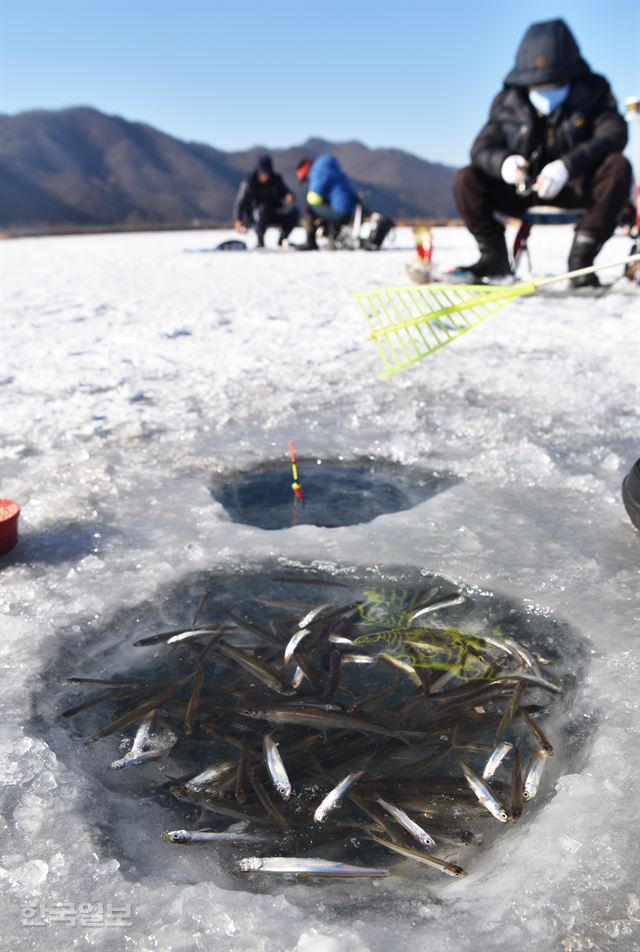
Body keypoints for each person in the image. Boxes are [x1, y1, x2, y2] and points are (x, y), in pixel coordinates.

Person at [454, 19, 632, 287]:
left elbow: (613, 134)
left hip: (577, 187)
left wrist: (567, 166)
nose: (546, 89)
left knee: (618, 166)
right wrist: (505, 164)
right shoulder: (508, 102)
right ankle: (494, 258)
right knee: (466, 179)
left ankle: (581, 262)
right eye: (537, 83)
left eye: (555, 81)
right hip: (520, 191)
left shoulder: (594, 93)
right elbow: (481, 148)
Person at [294, 155, 359, 250]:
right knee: (327, 205)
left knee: (310, 208)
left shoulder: (317, 171)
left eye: (305, 178)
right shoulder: (332, 169)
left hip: (340, 212)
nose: (307, 180)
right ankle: (332, 234)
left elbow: (314, 197)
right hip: (351, 211)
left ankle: (310, 242)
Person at [233, 154, 298, 248]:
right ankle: (260, 241)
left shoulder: (276, 179)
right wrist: (238, 219)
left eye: (267, 173)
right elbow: (240, 201)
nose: (265, 176)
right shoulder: (249, 182)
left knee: (293, 211)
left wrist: (289, 196)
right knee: (263, 209)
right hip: (256, 215)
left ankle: (282, 240)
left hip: (274, 212)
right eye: (262, 173)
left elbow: (286, 192)